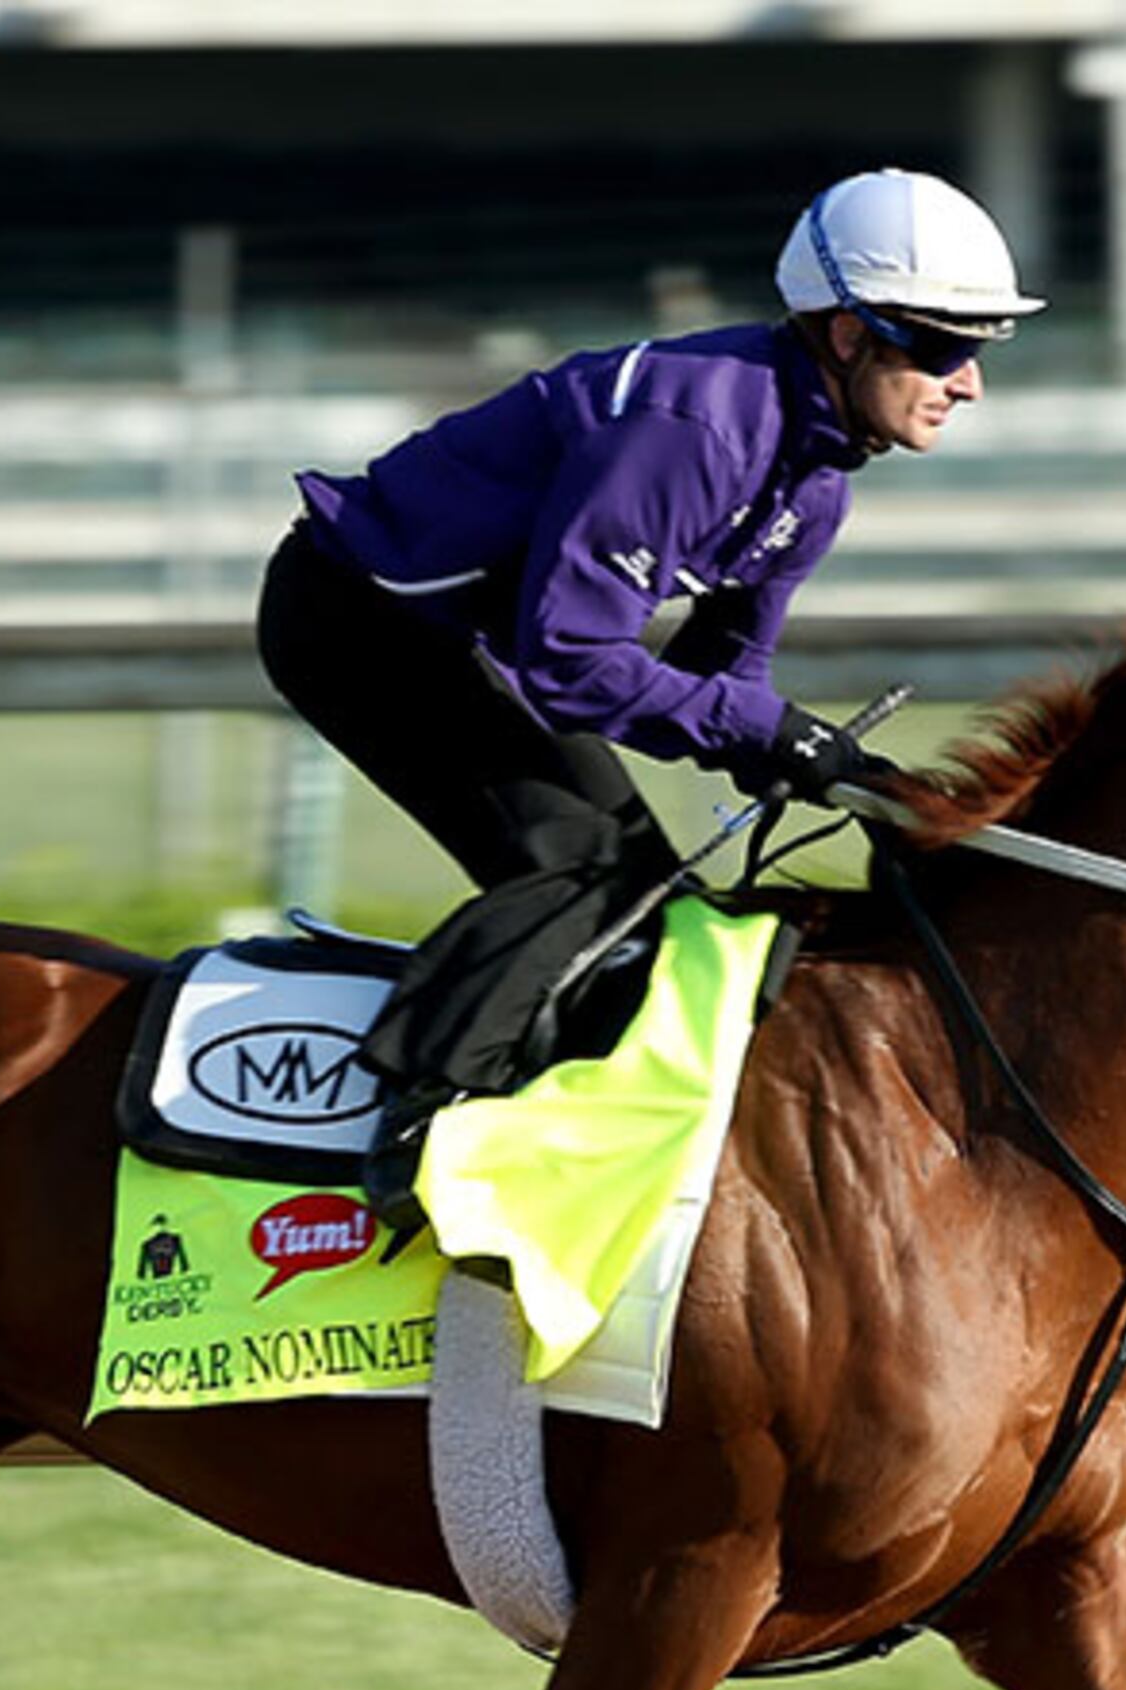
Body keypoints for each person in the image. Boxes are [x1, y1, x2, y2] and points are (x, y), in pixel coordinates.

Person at [255, 166, 1043, 1220]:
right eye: (945, 346)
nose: (969, 382)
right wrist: (772, 732)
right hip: (356, 620)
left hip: (456, 641)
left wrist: (835, 770)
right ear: (848, 336)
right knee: (594, 872)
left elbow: (727, 678)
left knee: (647, 897)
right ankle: (415, 1124)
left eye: (981, 350)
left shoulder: (816, 482)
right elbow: (569, 662)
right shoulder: (699, 428)